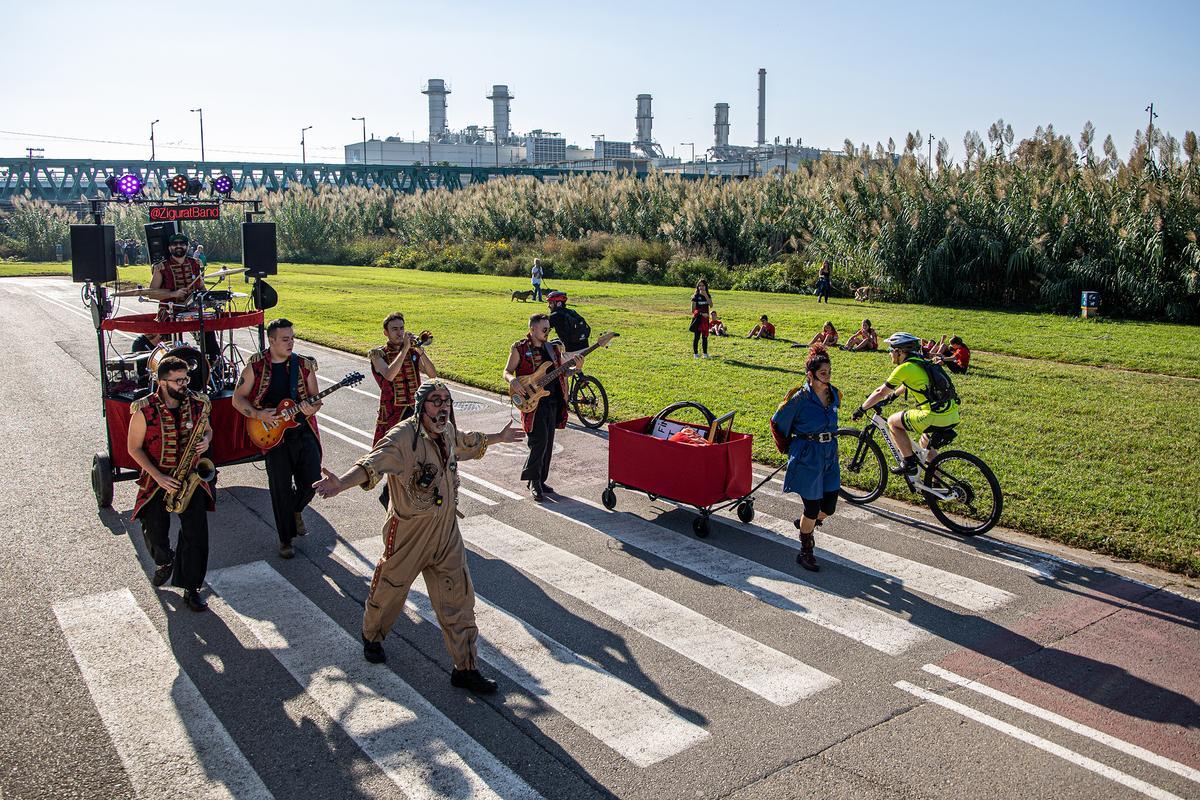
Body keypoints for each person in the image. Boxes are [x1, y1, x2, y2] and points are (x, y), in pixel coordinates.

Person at [312, 380, 524, 691]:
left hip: (446, 531)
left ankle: (464, 667)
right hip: (409, 534)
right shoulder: (402, 438)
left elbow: (466, 443)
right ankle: (372, 636)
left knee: (459, 598)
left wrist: (499, 437)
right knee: (390, 590)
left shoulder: (447, 431)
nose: (443, 407)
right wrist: (340, 484)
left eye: (446, 401)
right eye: (435, 401)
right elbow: (372, 464)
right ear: (420, 406)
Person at [126, 355, 213, 611]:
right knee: (153, 530)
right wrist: (158, 476)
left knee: (197, 534)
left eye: (185, 378)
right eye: (177, 380)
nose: (184, 384)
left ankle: (192, 587)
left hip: (191, 478)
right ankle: (165, 561)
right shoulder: (144, 410)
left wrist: (206, 439)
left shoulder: (198, 404)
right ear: (161, 382)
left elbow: (208, 429)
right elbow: (134, 448)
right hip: (158, 479)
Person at [232, 318, 323, 558]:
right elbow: (238, 398)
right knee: (280, 487)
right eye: (285, 339)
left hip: (302, 431)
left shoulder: (304, 365)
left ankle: (295, 510)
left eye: (292, 338)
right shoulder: (256, 365)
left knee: (312, 480)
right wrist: (258, 413)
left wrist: (311, 408)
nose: (290, 342)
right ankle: (286, 539)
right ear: (271, 340)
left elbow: (315, 399)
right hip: (273, 436)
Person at [770, 345, 840, 571]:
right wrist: (792, 449)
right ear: (810, 375)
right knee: (811, 508)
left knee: (828, 507)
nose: (827, 377)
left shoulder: (834, 394)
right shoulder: (798, 399)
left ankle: (804, 525)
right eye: (822, 373)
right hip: (808, 457)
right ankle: (805, 551)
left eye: (829, 372)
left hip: (829, 455)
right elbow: (777, 424)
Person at [852, 331, 961, 476]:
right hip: (952, 414)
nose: (889, 353)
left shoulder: (904, 368)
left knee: (892, 422)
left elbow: (880, 392)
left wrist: (862, 408)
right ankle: (935, 484)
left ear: (899, 351)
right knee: (925, 444)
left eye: (891, 350)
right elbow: (909, 384)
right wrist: (892, 397)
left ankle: (909, 463)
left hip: (933, 416)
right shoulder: (921, 362)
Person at [505, 313, 568, 502]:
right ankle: (533, 481)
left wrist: (576, 368)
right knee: (538, 441)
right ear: (532, 329)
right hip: (533, 402)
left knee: (548, 442)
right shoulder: (520, 348)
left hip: (552, 400)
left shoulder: (553, 349)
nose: (547, 332)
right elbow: (507, 371)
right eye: (544, 329)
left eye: (549, 328)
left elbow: (565, 372)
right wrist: (513, 380)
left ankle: (540, 479)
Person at [146, 232, 219, 359]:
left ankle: (212, 365)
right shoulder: (161, 267)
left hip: (192, 310)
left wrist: (207, 298)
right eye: (175, 244)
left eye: (182, 244)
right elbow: (151, 294)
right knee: (167, 347)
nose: (178, 246)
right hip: (169, 312)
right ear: (169, 248)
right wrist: (173, 294)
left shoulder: (195, 264)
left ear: (187, 246)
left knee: (208, 333)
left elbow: (201, 286)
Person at [547, 290, 591, 368]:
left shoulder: (555, 315)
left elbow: (544, 330)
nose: (548, 306)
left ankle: (565, 379)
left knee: (556, 368)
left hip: (572, 351)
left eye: (551, 303)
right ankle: (581, 377)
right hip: (585, 347)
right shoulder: (571, 311)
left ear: (558, 303)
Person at [690, 278, 713, 359]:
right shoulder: (695, 296)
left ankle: (705, 354)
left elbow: (711, 305)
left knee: (705, 336)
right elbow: (693, 310)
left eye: (703, 285)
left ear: (706, 286)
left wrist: (706, 295)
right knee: (696, 337)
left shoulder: (707, 295)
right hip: (698, 319)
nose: (701, 287)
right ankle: (695, 354)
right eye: (699, 285)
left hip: (705, 320)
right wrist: (702, 313)